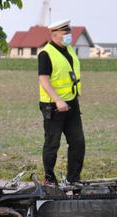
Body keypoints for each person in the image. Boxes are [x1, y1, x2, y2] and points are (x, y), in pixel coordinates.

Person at [38, 19, 85, 186]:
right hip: (53, 106)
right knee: (52, 143)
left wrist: (74, 97)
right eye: (65, 34)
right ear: (55, 34)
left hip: (71, 103)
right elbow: (44, 80)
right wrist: (58, 100)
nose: (69, 36)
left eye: (69, 33)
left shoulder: (70, 50)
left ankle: (74, 179)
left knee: (78, 142)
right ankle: (49, 178)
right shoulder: (46, 53)